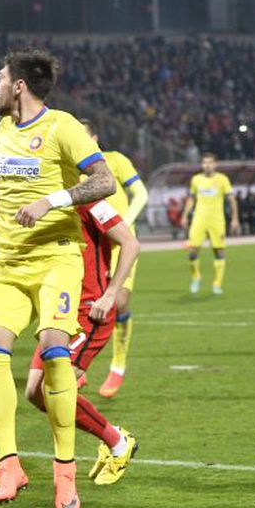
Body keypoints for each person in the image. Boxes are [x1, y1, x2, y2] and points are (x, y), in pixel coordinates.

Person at [0, 48, 116, 508]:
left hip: (56, 258)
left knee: (55, 349)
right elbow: (2, 199)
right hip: (7, 263)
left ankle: (64, 470)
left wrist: (52, 201)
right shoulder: (1, 131)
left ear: (19, 84)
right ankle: (10, 464)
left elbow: (105, 181)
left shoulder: (62, 126)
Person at [21, 199, 140, 485]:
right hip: (59, 314)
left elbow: (131, 244)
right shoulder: (43, 203)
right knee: (34, 392)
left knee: (54, 390)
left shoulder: (90, 202)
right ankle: (116, 437)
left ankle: (119, 445)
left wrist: (111, 294)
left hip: (90, 313)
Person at [73, 121, 148, 399]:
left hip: (119, 238)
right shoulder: (75, 172)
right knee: (82, 301)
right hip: (90, 243)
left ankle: (117, 365)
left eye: (83, 135)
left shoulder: (115, 160)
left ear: (94, 137)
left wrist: (123, 225)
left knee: (119, 301)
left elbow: (141, 193)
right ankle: (80, 361)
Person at [182, 153, 240, 295]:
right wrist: (184, 216)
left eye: (210, 162)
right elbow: (191, 199)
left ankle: (217, 284)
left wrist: (235, 219)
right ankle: (196, 277)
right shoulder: (196, 179)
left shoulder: (222, 179)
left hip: (217, 220)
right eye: (204, 163)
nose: (207, 165)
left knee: (219, 252)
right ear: (202, 165)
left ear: (215, 164)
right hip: (199, 219)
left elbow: (232, 200)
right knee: (192, 250)